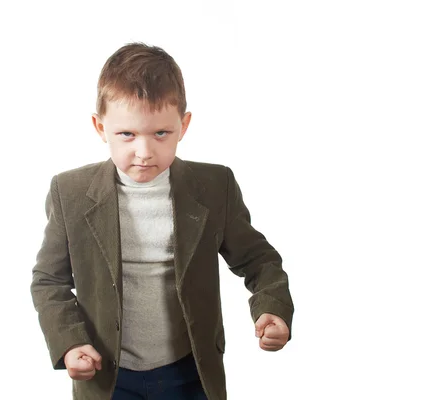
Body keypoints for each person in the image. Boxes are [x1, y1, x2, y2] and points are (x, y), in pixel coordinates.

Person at [30, 42, 294, 400]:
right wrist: (69, 341)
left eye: (160, 134)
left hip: (189, 373)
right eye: (127, 134)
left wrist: (271, 307)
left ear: (183, 125)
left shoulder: (215, 187)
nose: (144, 151)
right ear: (99, 126)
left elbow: (259, 261)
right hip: (107, 375)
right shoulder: (70, 192)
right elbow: (49, 281)